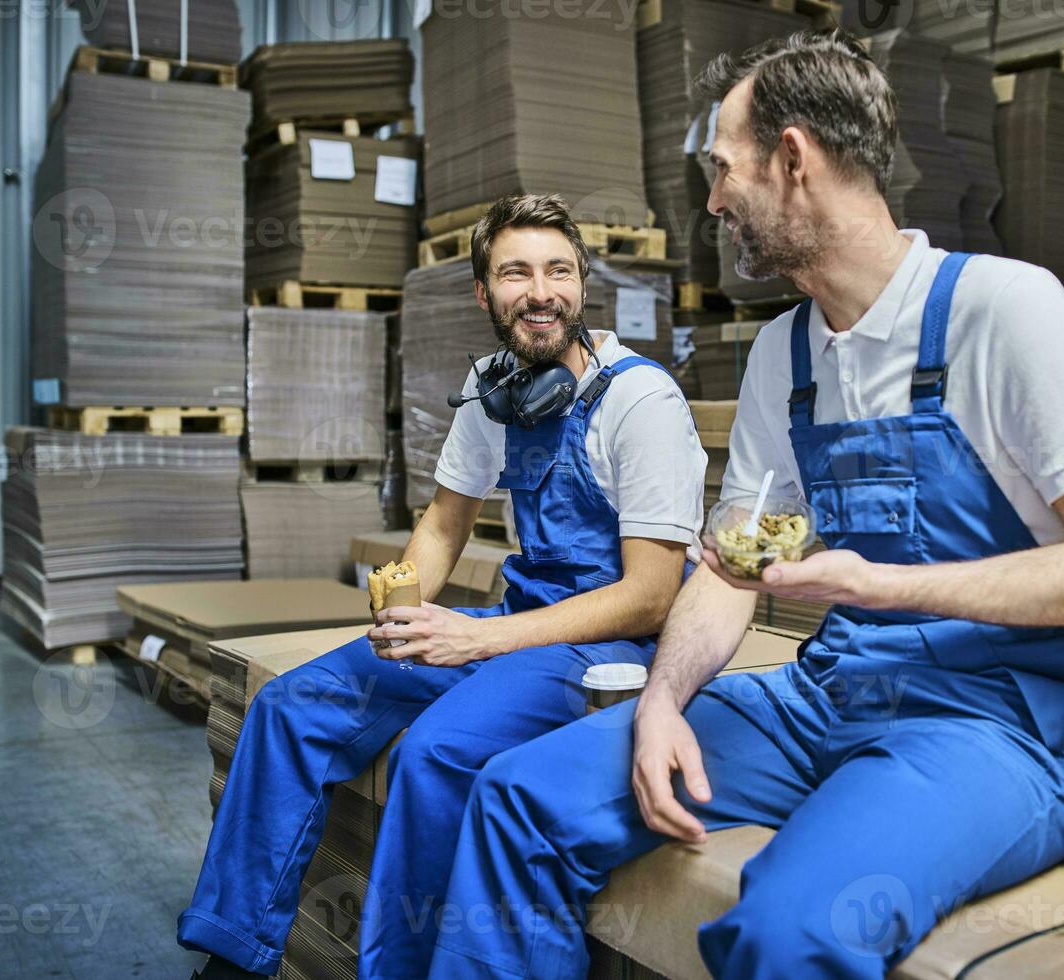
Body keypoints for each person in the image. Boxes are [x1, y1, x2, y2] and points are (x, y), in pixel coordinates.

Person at [425, 31, 1064, 980]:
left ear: (792, 159)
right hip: (826, 696)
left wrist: (885, 587)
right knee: (518, 795)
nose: (713, 200)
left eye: (724, 169)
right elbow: (728, 565)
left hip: (995, 726)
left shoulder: (1007, 313)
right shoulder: (784, 353)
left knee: (787, 928)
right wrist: (661, 704)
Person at [180, 194, 707, 980]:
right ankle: (231, 957)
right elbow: (443, 523)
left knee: (436, 755)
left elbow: (652, 595)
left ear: (582, 285)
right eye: (516, 272)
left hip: (609, 649)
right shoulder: (498, 389)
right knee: (291, 707)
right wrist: (404, 607)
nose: (541, 292)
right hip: (524, 622)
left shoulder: (640, 401)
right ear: (483, 293)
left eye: (559, 271)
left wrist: (482, 636)